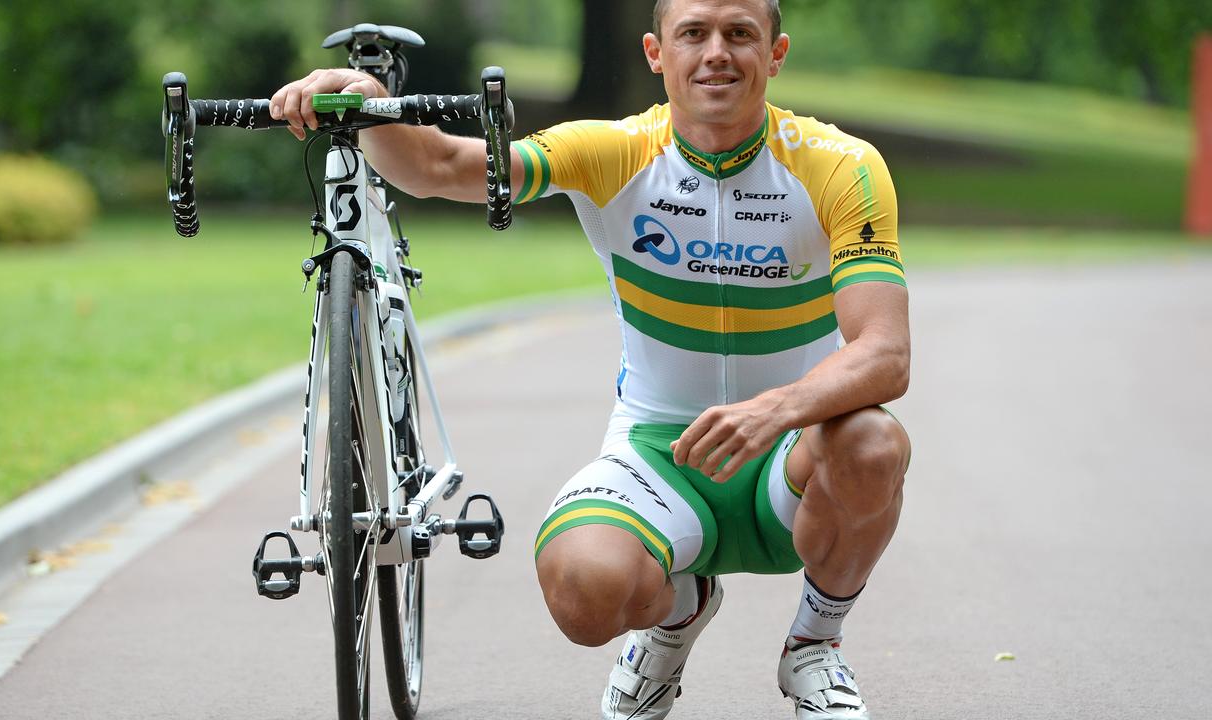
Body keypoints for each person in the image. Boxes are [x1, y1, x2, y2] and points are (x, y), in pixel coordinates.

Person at [272, 0, 910, 717]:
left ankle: (813, 648)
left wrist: (774, 411)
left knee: (873, 441)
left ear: (777, 51)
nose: (717, 53)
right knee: (581, 590)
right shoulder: (615, 151)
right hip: (658, 452)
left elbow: (885, 354)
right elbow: (440, 165)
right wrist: (373, 103)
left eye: (740, 34)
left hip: (787, 453)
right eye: (693, 34)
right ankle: (678, 612)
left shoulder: (842, 166)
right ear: (655, 52)